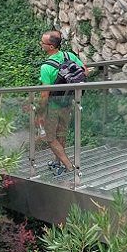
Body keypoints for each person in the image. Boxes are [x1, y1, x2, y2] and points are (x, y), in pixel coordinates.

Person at [38, 30, 84, 177]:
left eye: (43, 42)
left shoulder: (46, 67)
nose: (40, 44)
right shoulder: (69, 56)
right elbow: (85, 72)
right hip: (68, 103)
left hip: (53, 107)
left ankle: (69, 167)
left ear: (51, 47)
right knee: (62, 133)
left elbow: (45, 94)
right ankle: (57, 162)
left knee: (50, 138)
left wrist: (40, 110)